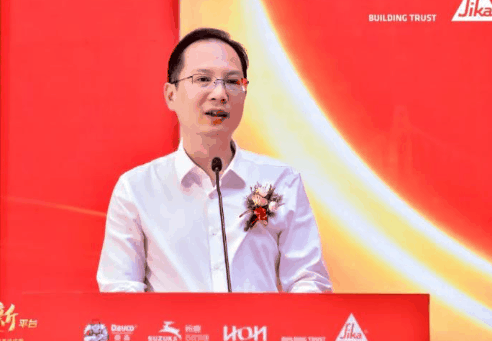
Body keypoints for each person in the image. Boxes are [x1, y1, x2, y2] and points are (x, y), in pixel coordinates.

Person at [97, 28, 332, 293]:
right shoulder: (136, 189)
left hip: (260, 322)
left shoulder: (280, 181)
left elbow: (308, 281)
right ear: (171, 95)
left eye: (232, 81)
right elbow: (120, 290)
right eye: (203, 79)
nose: (220, 93)